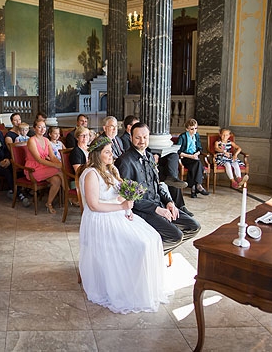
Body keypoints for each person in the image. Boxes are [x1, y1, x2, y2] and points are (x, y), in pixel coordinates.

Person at [78, 135, 170, 314]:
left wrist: (127, 209)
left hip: (117, 214)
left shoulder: (111, 170)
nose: (111, 155)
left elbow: (119, 195)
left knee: (153, 238)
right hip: (100, 220)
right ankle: (126, 286)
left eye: (111, 151)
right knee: (140, 244)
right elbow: (93, 205)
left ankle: (140, 284)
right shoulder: (91, 174)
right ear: (97, 155)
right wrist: (121, 206)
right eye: (107, 152)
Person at [117, 122, 201, 253]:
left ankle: (158, 253)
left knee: (193, 226)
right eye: (138, 137)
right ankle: (148, 256)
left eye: (145, 137)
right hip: (143, 211)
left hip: (159, 203)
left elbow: (158, 184)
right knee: (176, 236)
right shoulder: (125, 162)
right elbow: (128, 198)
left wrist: (169, 202)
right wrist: (156, 209)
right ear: (131, 138)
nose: (142, 141)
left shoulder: (150, 156)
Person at [25, 119, 64, 214]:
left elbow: (53, 157)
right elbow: (39, 160)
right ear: (34, 128)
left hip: (44, 166)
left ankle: (49, 203)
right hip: (33, 169)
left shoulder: (46, 140)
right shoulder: (31, 140)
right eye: (39, 127)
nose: (42, 129)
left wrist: (60, 163)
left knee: (57, 180)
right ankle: (70, 196)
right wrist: (57, 165)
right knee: (60, 171)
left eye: (44, 127)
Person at [176, 119, 209, 198]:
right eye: (192, 129)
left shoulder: (196, 135)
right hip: (185, 157)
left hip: (194, 157)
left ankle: (194, 188)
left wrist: (196, 154)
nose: (194, 131)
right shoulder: (183, 136)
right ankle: (198, 186)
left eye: (196, 128)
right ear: (187, 129)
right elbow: (178, 151)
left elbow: (199, 148)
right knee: (198, 164)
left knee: (195, 166)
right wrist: (191, 156)